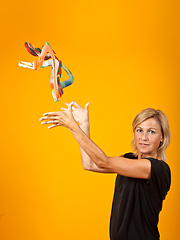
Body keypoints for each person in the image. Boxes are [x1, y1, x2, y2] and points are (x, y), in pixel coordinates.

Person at [39, 102, 171, 240]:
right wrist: (84, 124)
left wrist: (72, 127)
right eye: (139, 130)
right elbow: (89, 164)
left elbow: (103, 162)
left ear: (162, 138)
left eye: (152, 131)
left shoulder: (158, 168)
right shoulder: (128, 159)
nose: (144, 137)